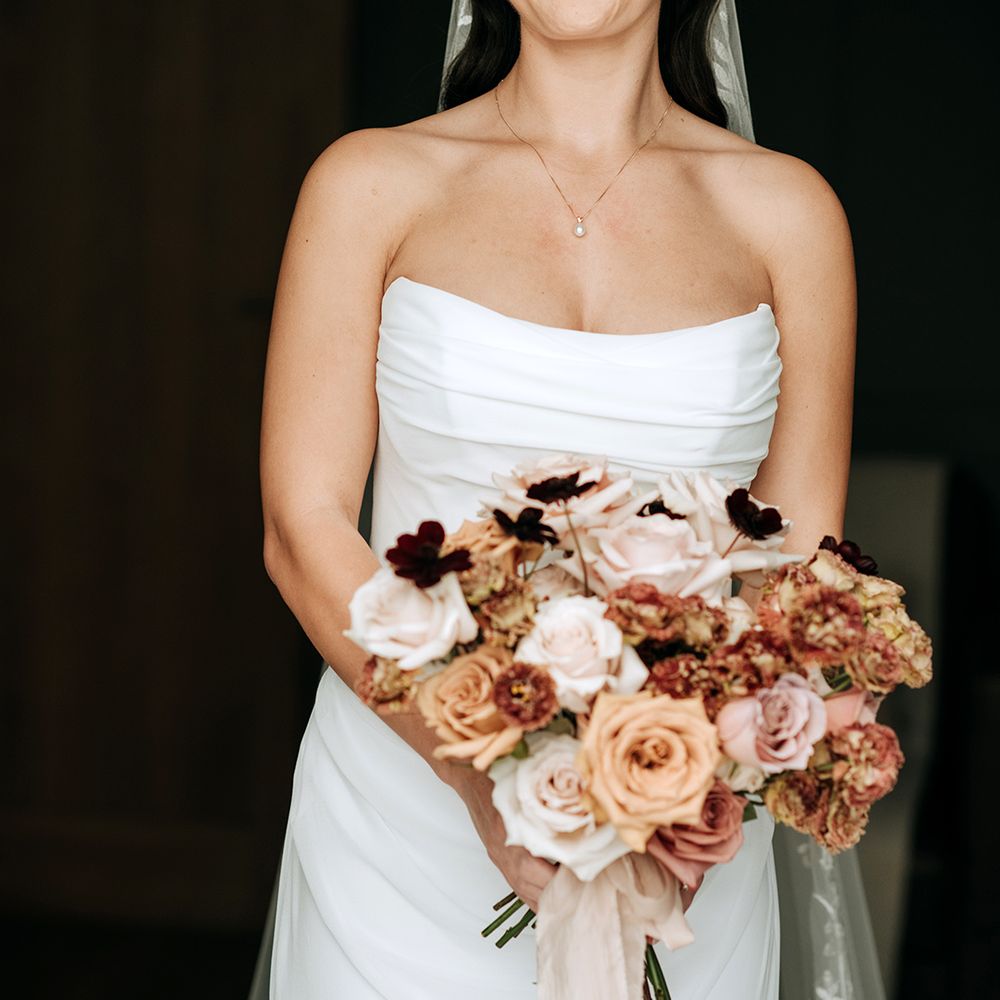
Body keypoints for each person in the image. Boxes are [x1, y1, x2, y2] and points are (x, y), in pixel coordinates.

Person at [257, 1, 859, 996]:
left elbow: (800, 564)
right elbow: (303, 525)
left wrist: (679, 787)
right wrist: (478, 772)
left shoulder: (787, 212)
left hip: (679, 816)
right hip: (398, 814)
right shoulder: (369, 181)